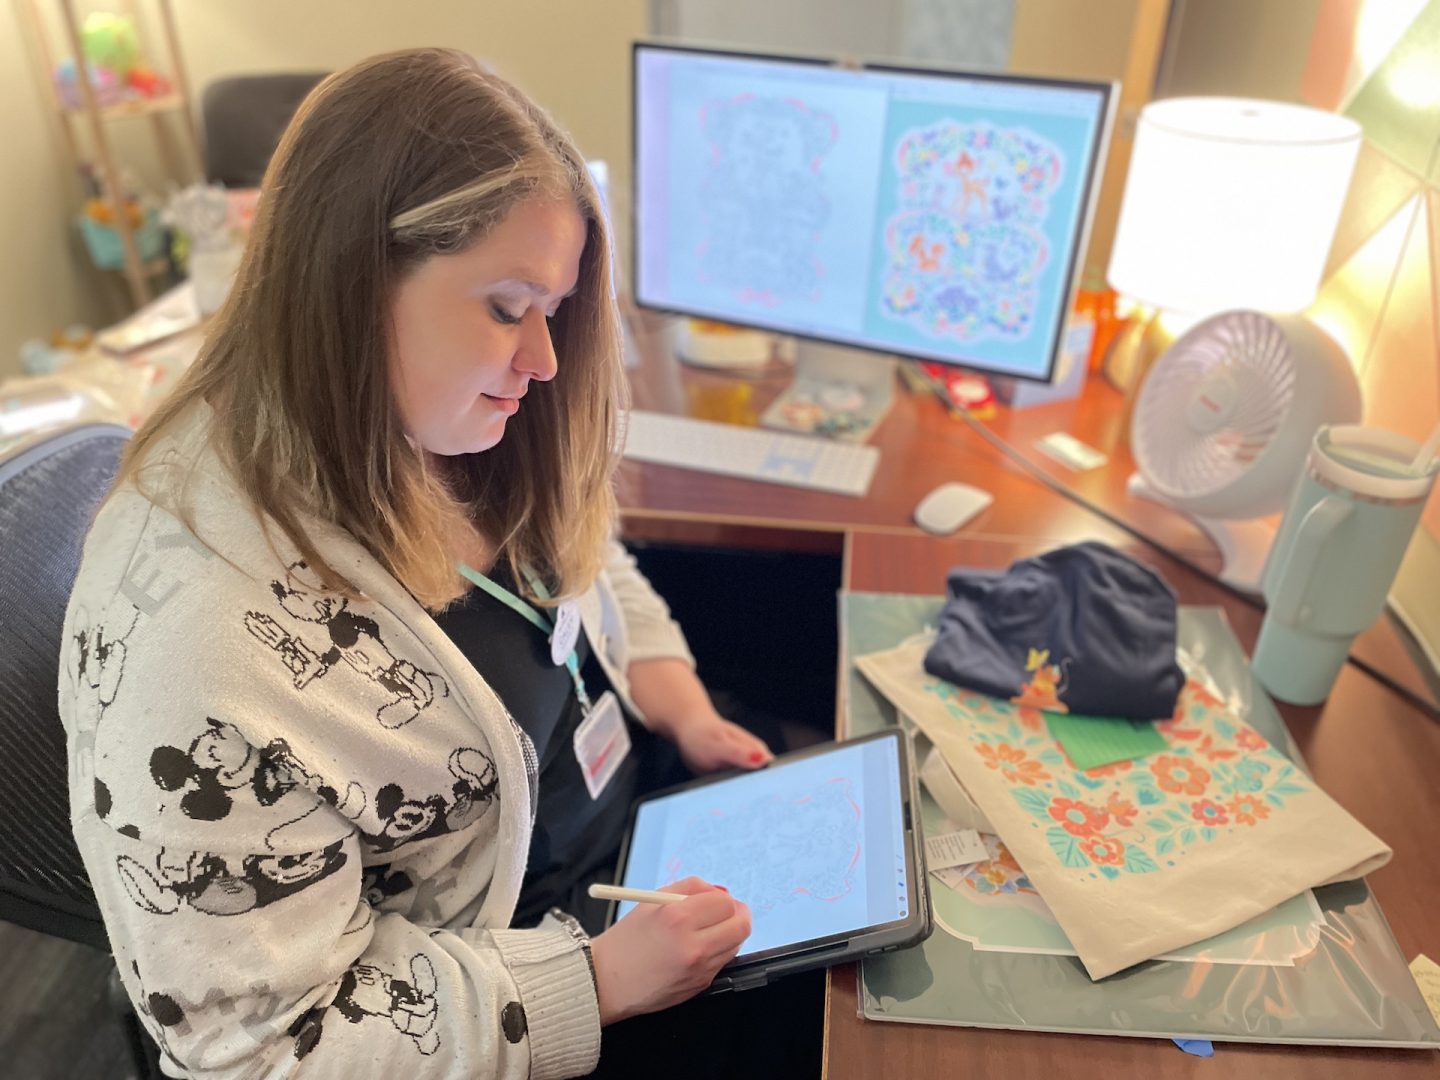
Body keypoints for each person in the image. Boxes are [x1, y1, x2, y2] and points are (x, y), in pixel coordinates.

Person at [59, 48, 817, 1079]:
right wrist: (597, 984)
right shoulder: (205, 651)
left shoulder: (444, 421)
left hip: (634, 847)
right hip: (523, 992)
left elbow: (586, 565)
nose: (544, 360)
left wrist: (678, 705)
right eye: (507, 307)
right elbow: (260, 1052)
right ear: (349, 280)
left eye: (553, 310)